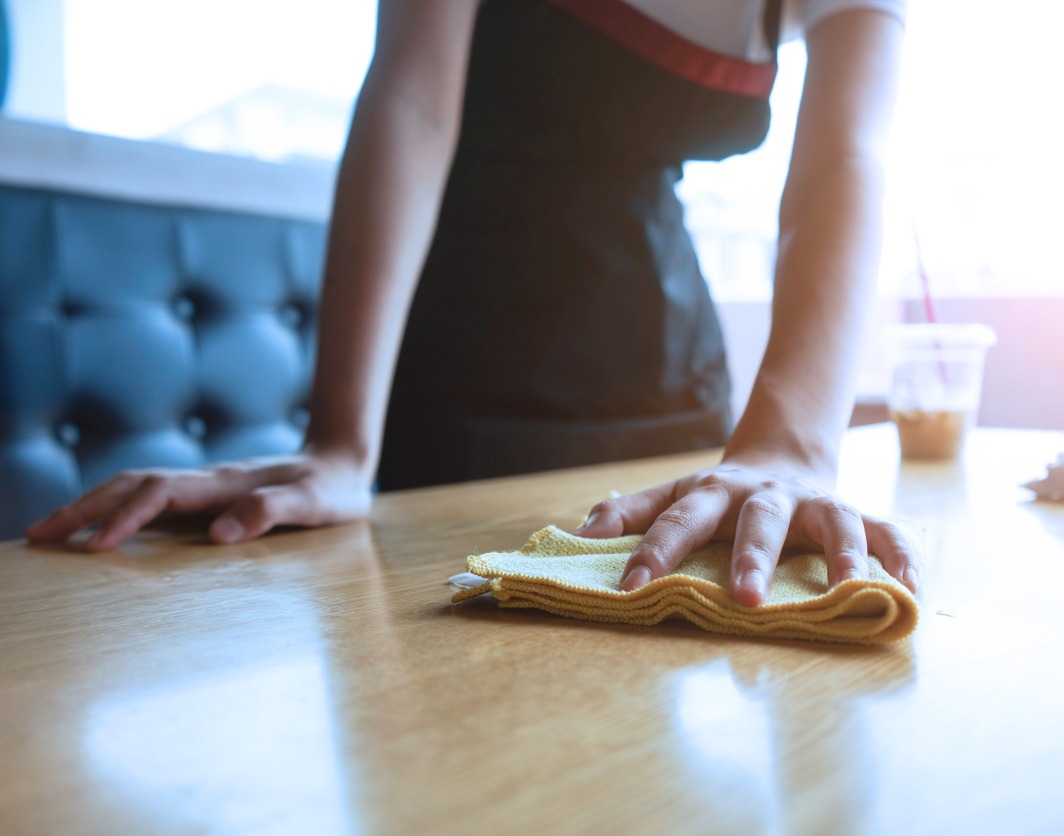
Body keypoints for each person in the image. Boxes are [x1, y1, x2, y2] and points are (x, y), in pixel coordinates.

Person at [26, 0, 920, 605]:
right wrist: (341, 443)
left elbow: (849, 156)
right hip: (461, 363)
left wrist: (789, 448)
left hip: (668, 380)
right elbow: (413, 100)